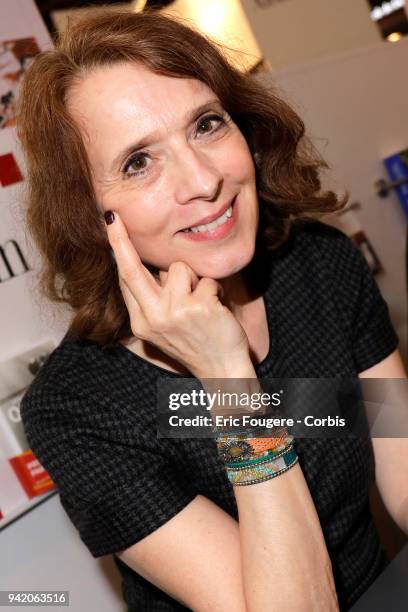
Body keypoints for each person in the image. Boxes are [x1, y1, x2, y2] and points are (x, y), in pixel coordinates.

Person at [17, 6, 407, 612]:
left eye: (205, 125)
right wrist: (229, 381)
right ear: (90, 214)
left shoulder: (318, 266)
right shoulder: (80, 407)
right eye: (138, 162)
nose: (203, 179)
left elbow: (398, 454)